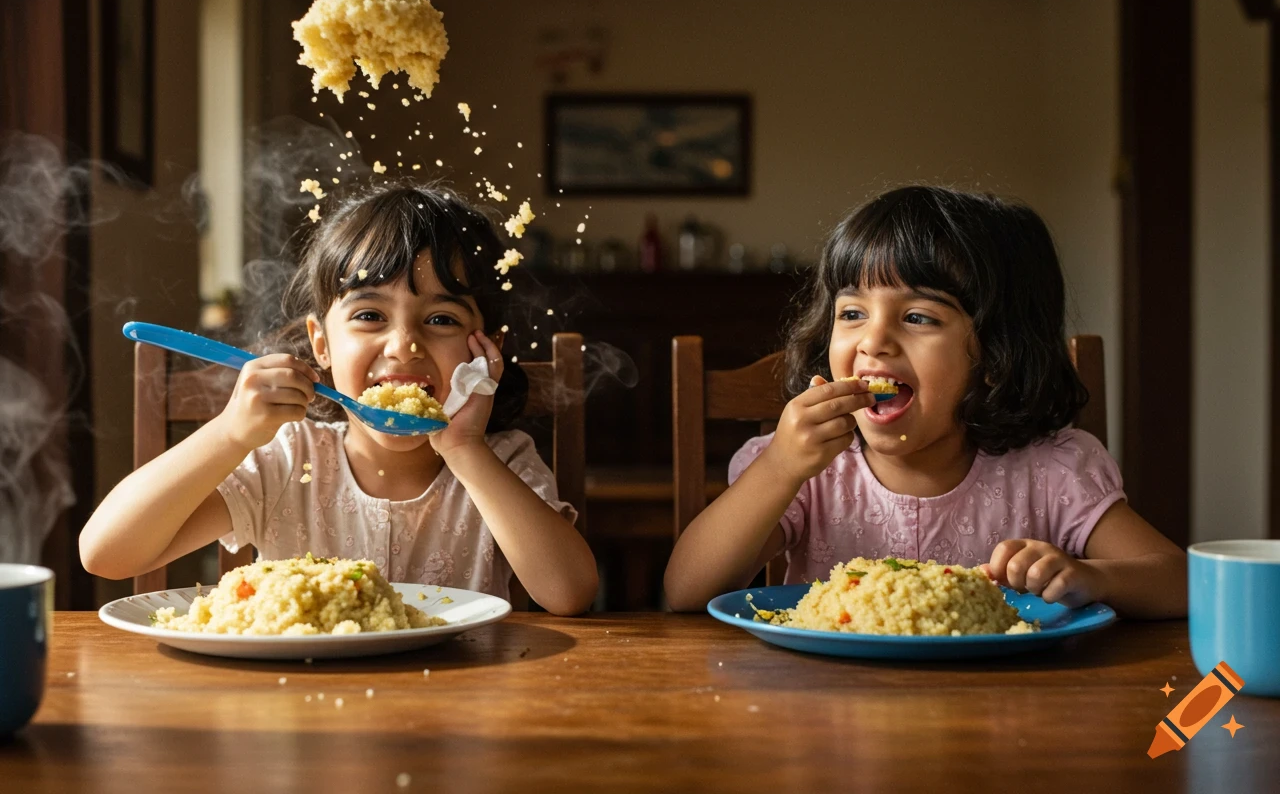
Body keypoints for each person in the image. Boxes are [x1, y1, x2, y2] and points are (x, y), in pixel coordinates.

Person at [664, 185, 1185, 618]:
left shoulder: (1050, 470)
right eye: (852, 314)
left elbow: (1178, 581)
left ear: (996, 353)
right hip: (825, 712)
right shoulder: (809, 474)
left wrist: (1092, 577)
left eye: (918, 318)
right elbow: (685, 591)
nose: (874, 341)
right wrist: (779, 468)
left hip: (1006, 710)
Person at [81, 186, 598, 615]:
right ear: (321, 343)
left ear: (486, 353)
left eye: (442, 319)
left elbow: (570, 595)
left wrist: (465, 450)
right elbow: (106, 553)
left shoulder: (502, 459)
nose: (404, 345)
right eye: (370, 315)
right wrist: (229, 434)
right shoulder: (286, 459)